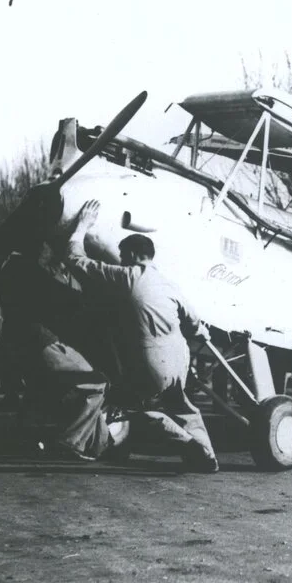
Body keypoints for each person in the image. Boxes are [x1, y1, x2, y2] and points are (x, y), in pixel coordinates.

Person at [62, 199, 218, 472]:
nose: (120, 261)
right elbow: (195, 324)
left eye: (123, 257)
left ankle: (187, 442)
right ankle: (208, 457)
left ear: (133, 255)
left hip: (151, 362)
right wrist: (200, 332)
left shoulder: (129, 276)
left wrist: (81, 228)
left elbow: (76, 261)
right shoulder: (169, 283)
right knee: (185, 409)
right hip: (179, 360)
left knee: (135, 408)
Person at [0, 190, 118, 460]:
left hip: (23, 344)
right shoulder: (26, 269)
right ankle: (71, 442)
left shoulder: (13, 267)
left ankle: (101, 445)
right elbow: (69, 298)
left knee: (50, 390)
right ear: (39, 246)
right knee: (97, 384)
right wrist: (82, 232)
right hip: (40, 341)